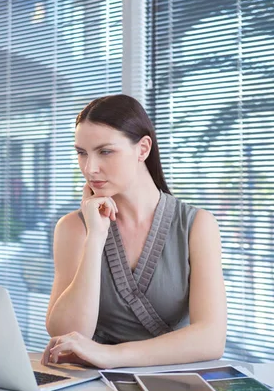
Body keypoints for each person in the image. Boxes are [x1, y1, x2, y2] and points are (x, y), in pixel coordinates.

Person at [41, 94, 227, 369]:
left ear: (142, 149)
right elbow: (67, 333)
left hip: (175, 384)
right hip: (92, 389)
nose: (89, 168)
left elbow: (211, 338)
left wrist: (109, 356)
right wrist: (95, 238)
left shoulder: (197, 225)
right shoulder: (74, 228)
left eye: (105, 151)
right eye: (81, 153)